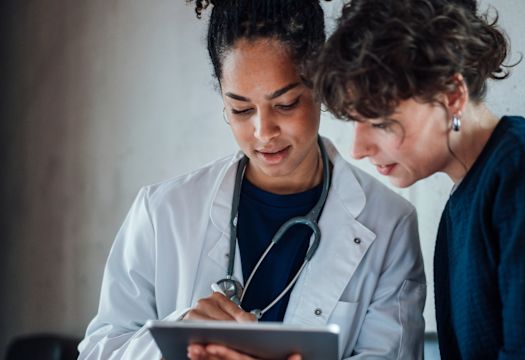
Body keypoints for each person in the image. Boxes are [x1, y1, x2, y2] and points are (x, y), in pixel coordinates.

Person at [78, 0, 427, 359]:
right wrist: (184, 335)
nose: (263, 132)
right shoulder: (162, 212)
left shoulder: (389, 224)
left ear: (321, 85)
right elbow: (98, 351)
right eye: (241, 110)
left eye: (286, 104)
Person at [312, 0, 525, 358]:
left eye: (380, 122)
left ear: (453, 97)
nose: (358, 148)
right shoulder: (464, 204)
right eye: (355, 121)